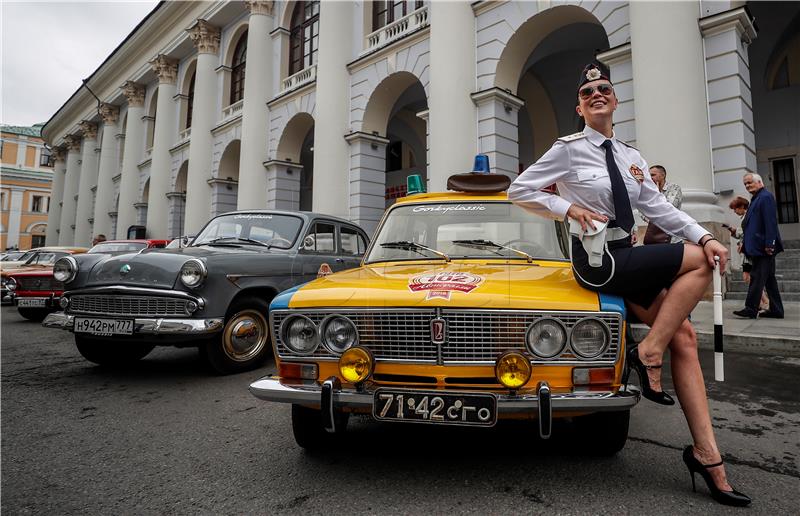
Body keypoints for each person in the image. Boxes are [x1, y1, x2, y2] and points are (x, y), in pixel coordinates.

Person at [507, 64, 749, 506]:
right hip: (598, 261)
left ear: (615, 101)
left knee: (688, 336)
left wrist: (708, 234)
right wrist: (567, 209)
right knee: (698, 260)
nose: (597, 94)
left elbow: (661, 211)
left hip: (629, 256)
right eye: (587, 92)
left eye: (604, 89)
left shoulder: (632, 157)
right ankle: (648, 352)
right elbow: (519, 190)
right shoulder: (568, 149)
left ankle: (707, 454)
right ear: (579, 106)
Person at [733, 173, 784, 319]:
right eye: (745, 184)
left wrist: (770, 244)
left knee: (756, 276)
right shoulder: (757, 198)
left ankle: (751, 308)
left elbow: (770, 222)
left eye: (750, 182)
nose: (748, 186)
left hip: (764, 247)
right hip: (757, 247)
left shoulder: (765, 197)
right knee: (769, 279)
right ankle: (777, 310)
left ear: (760, 182)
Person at [726, 197, 769, 312]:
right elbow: (743, 234)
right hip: (747, 252)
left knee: (749, 278)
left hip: (749, 253)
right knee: (749, 278)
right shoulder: (745, 217)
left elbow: (749, 234)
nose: (734, 212)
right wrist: (734, 232)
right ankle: (761, 302)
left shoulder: (749, 217)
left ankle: (764, 302)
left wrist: (743, 244)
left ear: (741, 207)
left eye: (735, 209)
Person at [643, 165, 683, 244]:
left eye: (653, 175)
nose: (650, 178)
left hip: (673, 239)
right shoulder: (649, 192)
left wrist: (656, 194)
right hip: (655, 238)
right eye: (649, 175)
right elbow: (643, 213)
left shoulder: (674, 188)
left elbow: (667, 208)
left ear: (662, 175)